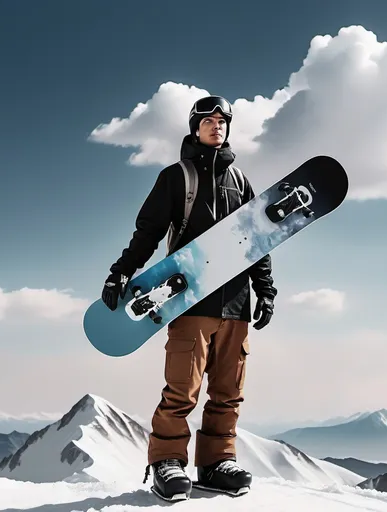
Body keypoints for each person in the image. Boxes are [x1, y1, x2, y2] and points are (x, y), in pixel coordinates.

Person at [101, 95, 277, 501]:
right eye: (209, 120)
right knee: (182, 387)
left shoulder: (241, 181)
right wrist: (121, 272)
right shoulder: (175, 177)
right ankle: (167, 461)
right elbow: (147, 230)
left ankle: (216, 463)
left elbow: (260, 240)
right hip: (188, 299)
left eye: (223, 121)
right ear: (195, 127)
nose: (218, 126)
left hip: (235, 302)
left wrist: (265, 290)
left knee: (228, 390)